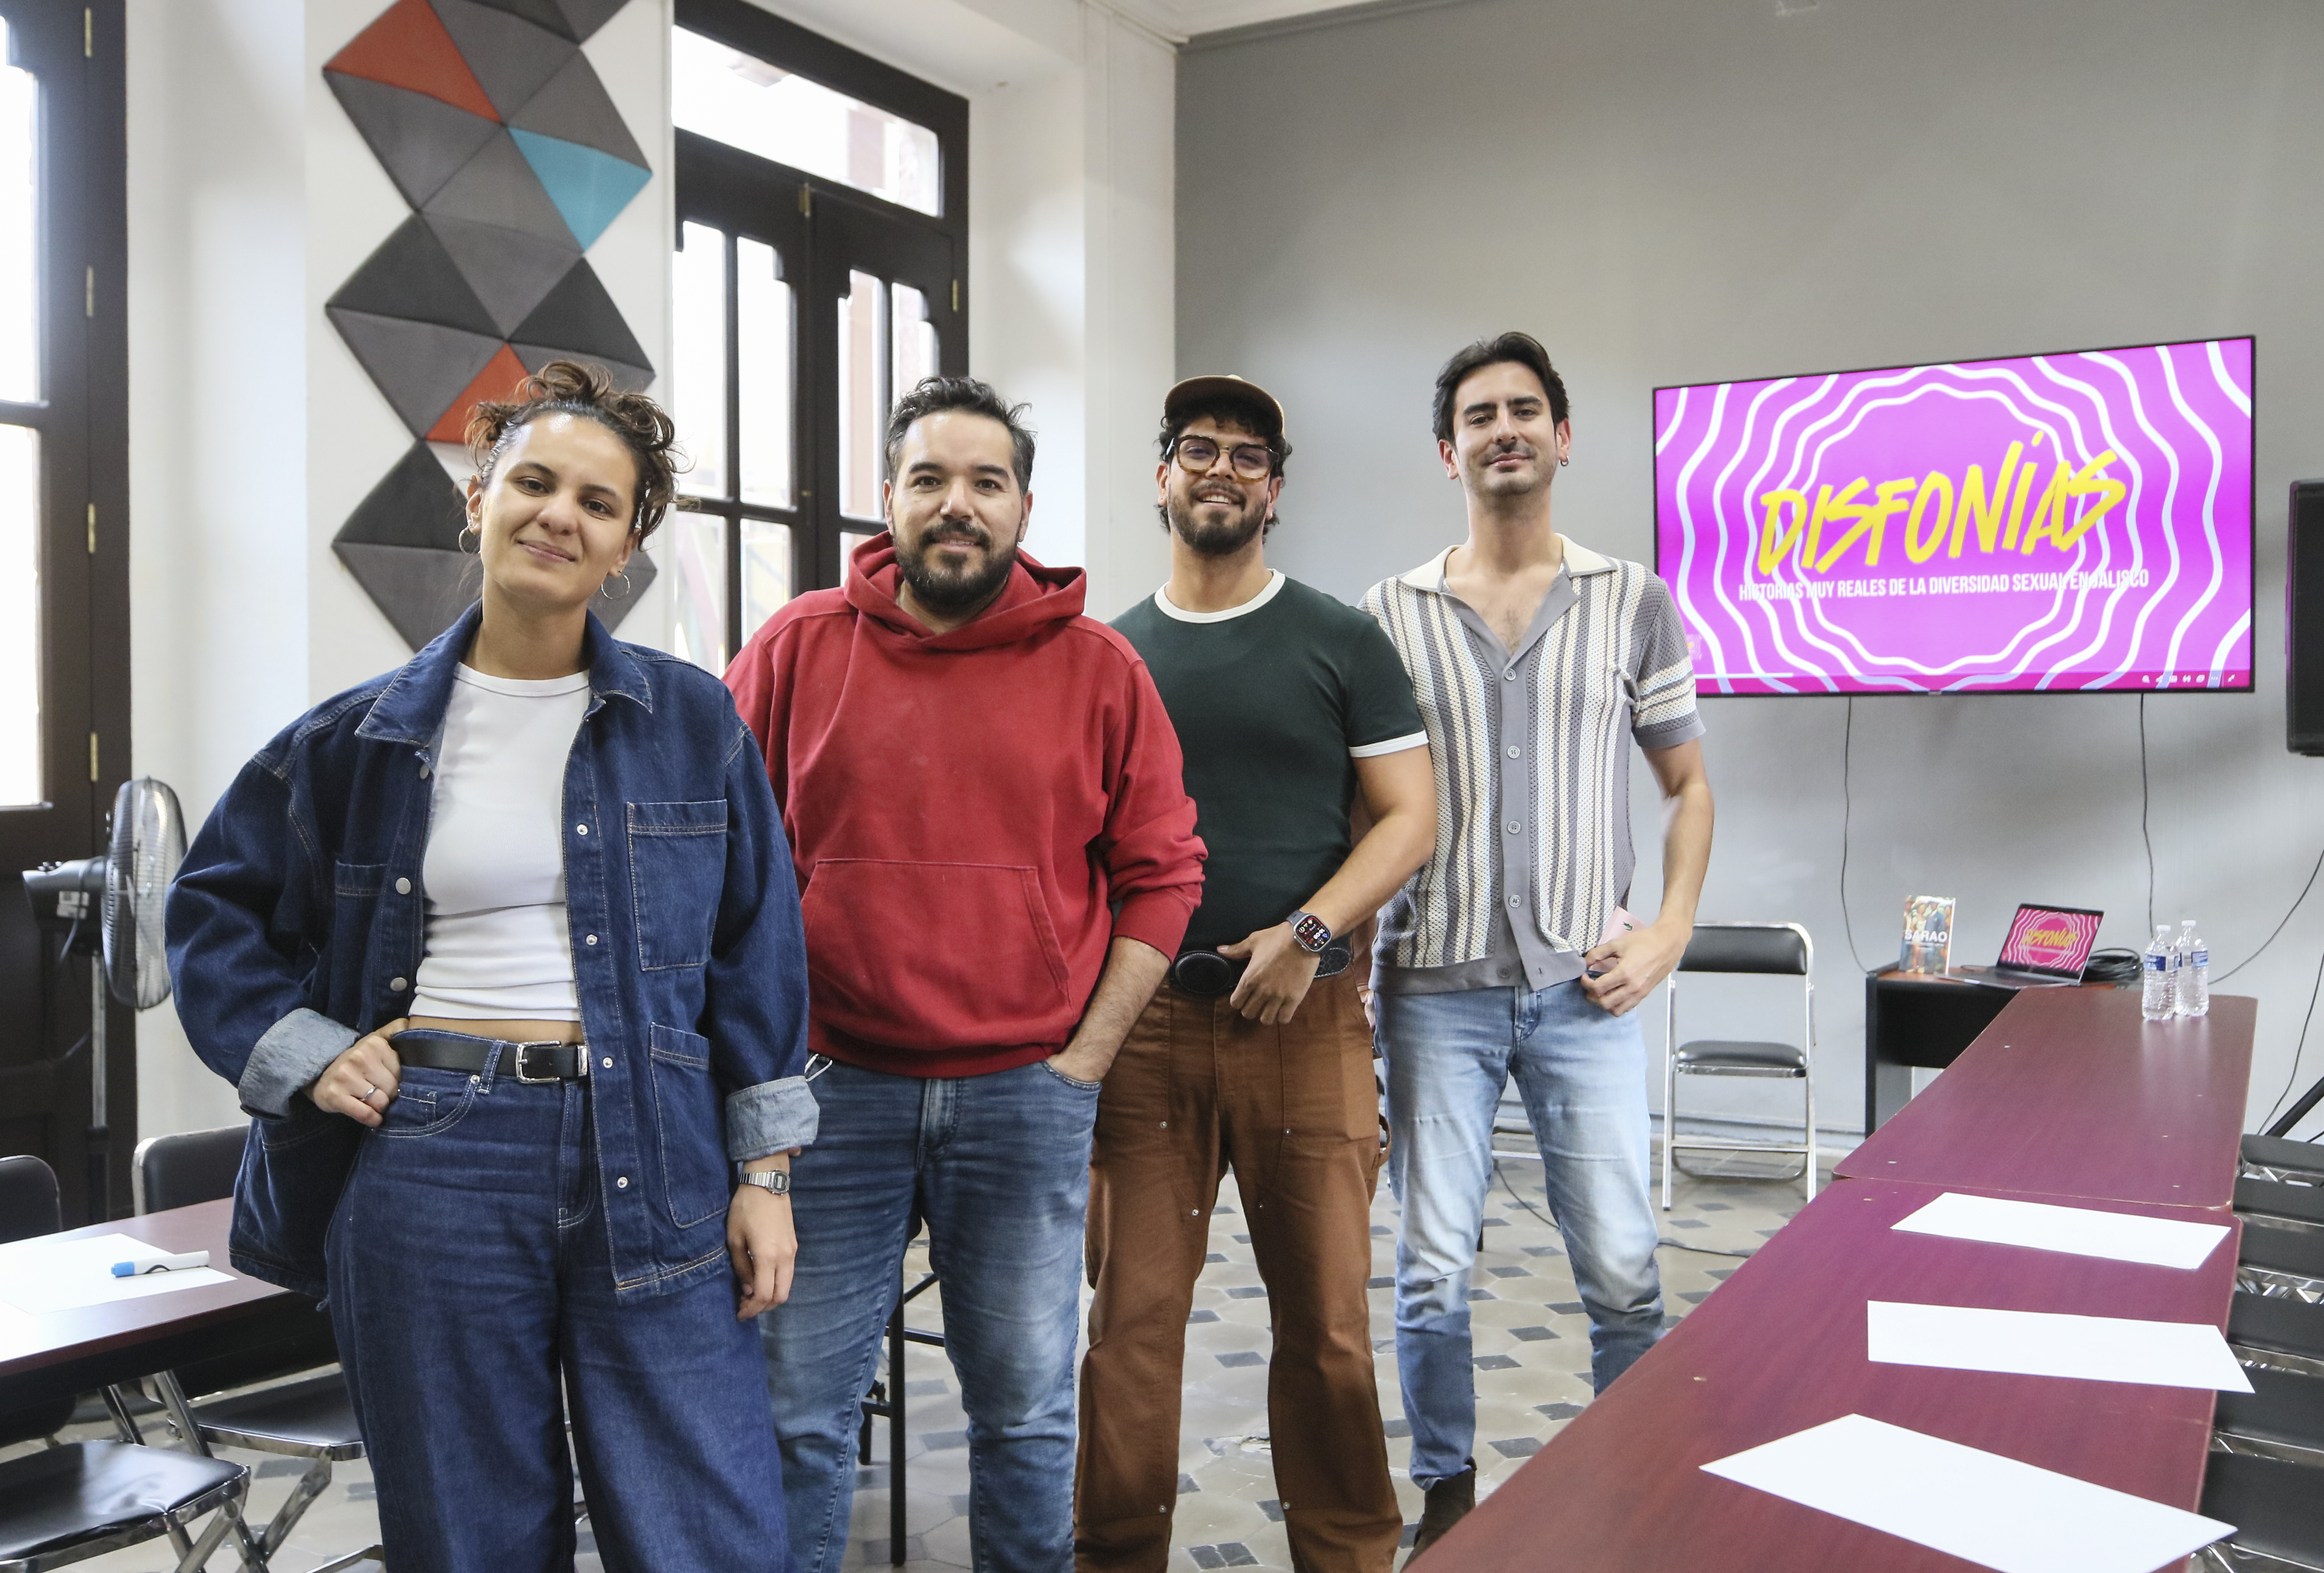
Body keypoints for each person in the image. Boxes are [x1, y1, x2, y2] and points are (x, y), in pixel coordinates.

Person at [166, 361, 816, 1573]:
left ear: (627, 545)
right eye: (533, 482)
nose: (559, 514)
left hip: (657, 1146)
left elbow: (756, 952)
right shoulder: (355, 738)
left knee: (708, 1531)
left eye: (597, 502)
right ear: (480, 499)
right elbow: (213, 911)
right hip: (433, 1159)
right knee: (471, 1538)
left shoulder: (693, 723)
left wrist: (766, 1173)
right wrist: (309, 1053)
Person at [726, 375, 1206, 1573]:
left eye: (987, 482)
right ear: (887, 496)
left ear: (1023, 508)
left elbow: (1164, 875)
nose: (958, 504)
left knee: (1027, 1415)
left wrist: (1083, 1060)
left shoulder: (1102, 668)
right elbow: (722, 867)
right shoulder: (794, 649)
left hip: (1024, 1095)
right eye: (930, 478)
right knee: (797, 1415)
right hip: (831, 1094)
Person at [1361, 333, 1714, 1562]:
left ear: (1563, 438)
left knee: (1623, 1270)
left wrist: (1670, 931)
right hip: (1431, 992)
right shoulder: (1390, 615)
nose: (1502, 428)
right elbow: (1363, 808)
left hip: (1587, 994)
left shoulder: (1633, 600)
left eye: (1524, 410)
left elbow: (1688, 787)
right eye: (1479, 415)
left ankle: (1636, 1487)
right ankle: (1447, 1499)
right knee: (1428, 1271)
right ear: (1447, 450)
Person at [1076, 376, 1436, 1573]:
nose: (1221, 470)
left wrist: (1309, 935)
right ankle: (1114, 1555)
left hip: (1306, 1024)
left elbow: (1411, 818)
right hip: (1146, 1033)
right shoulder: (1109, 654)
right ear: (1162, 475)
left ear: (1274, 489)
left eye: (1247, 455)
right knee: (1130, 1328)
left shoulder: (1341, 640)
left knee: (1328, 1327)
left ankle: (1348, 1556)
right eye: (1198, 449)